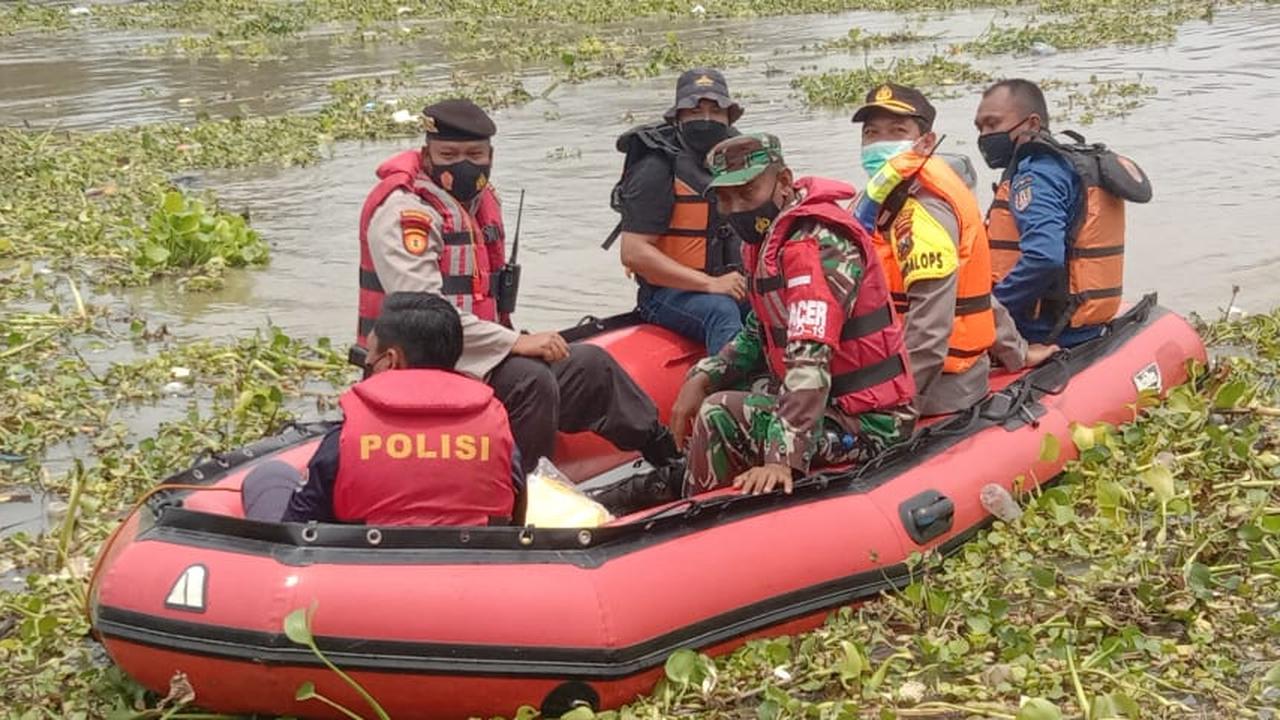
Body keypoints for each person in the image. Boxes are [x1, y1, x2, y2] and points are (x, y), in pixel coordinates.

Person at [357, 99, 682, 481]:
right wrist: (513, 343)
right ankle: (524, 497)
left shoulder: (478, 203)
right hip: (417, 368)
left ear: (490, 155)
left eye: (474, 154)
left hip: (476, 357)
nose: (463, 164)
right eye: (449, 154)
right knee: (531, 381)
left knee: (591, 367)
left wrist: (510, 343)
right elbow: (423, 321)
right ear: (427, 153)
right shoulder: (405, 213)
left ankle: (669, 456)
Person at [670, 134, 916, 497]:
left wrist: (781, 456)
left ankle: (698, 517)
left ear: (783, 182)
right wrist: (703, 377)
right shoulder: (767, 240)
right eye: (725, 198)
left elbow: (809, 355)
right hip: (829, 403)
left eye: (747, 192)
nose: (736, 208)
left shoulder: (817, 246)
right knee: (719, 391)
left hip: (871, 422)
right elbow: (760, 330)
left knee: (718, 412)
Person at [850, 83, 1055, 416]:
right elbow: (968, 293)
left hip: (934, 388)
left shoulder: (923, 212)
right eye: (872, 133)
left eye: (897, 131)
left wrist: (890, 411)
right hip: (889, 369)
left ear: (926, 142)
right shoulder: (876, 201)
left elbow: (929, 335)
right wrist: (1016, 350)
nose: (880, 143)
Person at [242, 292, 521, 526]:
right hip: (470, 575)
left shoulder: (343, 442)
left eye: (369, 359)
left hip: (361, 577)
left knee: (269, 476)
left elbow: (295, 533)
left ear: (390, 360)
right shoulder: (498, 432)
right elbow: (514, 516)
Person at [974, 79, 1152, 347]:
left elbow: (1043, 257)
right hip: (1081, 324)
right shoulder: (1069, 164)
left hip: (1045, 331)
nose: (985, 136)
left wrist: (992, 312)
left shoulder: (1036, 174)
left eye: (992, 124)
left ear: (1032, 124)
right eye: (980, 127)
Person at [614, 68, 749, 355]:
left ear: (729, 118)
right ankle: (724, 395)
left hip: (731, 282)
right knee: (722, 312)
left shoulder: (742, 161)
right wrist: (710, 284)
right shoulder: (656, 166)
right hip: (666, 293)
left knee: (773, 301)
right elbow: (633, 252)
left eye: (716, 111)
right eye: (694, 111)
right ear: (678, 118)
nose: (706, 120)